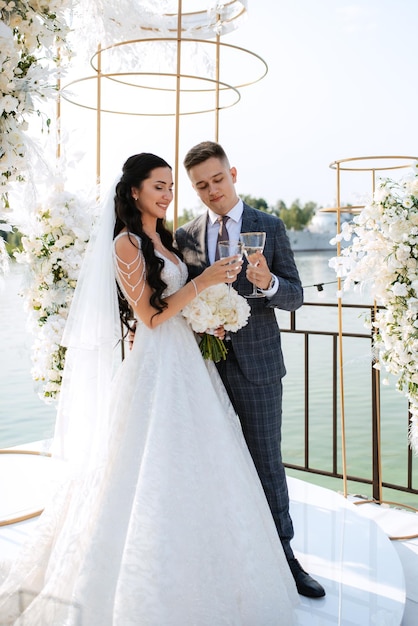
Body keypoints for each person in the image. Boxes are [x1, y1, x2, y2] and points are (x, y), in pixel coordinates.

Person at [0, 153, 298, 625]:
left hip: (194, 360)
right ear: (135, 190)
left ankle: (269, 557)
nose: (167, 194)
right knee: (151, 464)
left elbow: (179, 304)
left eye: (170, 187)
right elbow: (151, 317)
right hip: (158, 365)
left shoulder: (166, 238)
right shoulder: (125, 243)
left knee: (218, 462)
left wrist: (209, 319)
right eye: (159, 186)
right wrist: (201, 286)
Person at [175, 141, 326, 599]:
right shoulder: (185, 236)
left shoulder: (271, 226)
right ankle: (226, 554)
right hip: (204, 369)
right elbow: (184, 297)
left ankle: (285, 559)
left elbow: (296, 296)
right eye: (201, 186)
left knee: (266, 463)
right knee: (212, 463)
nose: (211, 191)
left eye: (217, 180)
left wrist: (269, 282)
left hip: (259, 367)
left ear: (233, 173)